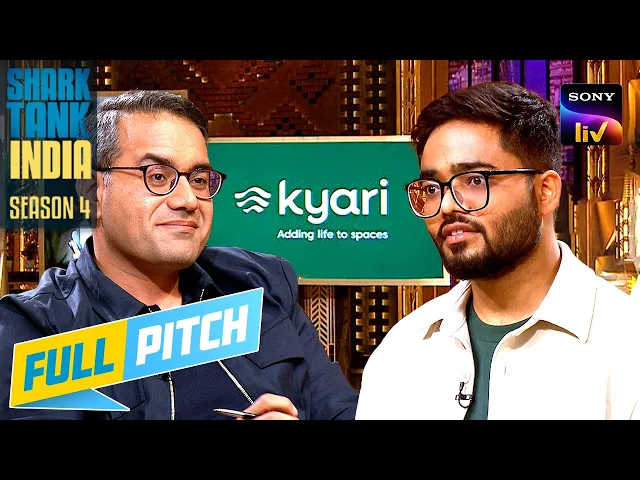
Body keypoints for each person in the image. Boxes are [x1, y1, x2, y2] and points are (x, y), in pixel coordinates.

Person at [0, 89, 358, 420]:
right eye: (158, 176)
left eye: (199, 180)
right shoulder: (34, 332)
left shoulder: (262, 284)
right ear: (94, 192)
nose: (188, 200)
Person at [355, 81, 640, 420]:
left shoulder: (625, 344)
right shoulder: (402, 351)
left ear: (545, 191)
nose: (446, 205)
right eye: (431, 188)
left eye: (475, 180)